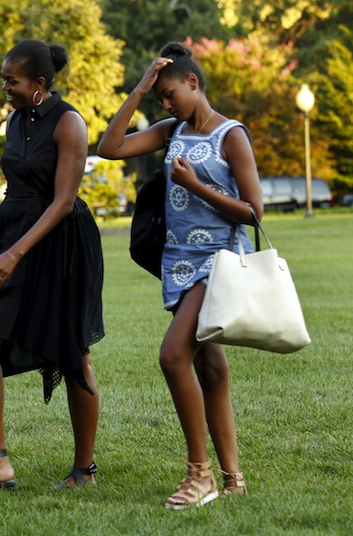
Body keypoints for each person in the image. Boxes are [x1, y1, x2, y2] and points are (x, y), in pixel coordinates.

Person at [96, 42, 259, 508]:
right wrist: (141, 87)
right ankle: (233, 478)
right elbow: (110, 148)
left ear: (193, 82)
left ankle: (200, 473)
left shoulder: (232, 136)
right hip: (178, 264)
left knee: (173, 356)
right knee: (210, 366)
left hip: (219, 263)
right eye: (158, 98)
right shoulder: (171, 131)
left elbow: (253, 212)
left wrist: (195, 185)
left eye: (169, 94)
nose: (165, 105)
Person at [0, 40, 104, 491]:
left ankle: (84, 469)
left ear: (39, 84)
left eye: (11, 81)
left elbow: (63, 201)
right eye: (3, 79)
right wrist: (7, 242)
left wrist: (17, 252)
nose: (4, 87)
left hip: (60, 243)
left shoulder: (69, 122)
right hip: (11, 229)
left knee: (72, 352)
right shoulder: (16, 121)